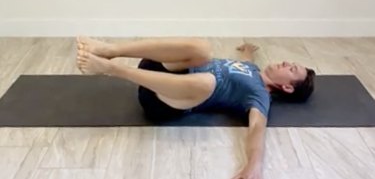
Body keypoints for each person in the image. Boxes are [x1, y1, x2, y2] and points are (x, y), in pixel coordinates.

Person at [76, 36, 315, 179]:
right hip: (159, 69)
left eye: (292, 69)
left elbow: (257, 130)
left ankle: (113, 70)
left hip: (164, 99)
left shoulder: (260, 95)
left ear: (288, 88)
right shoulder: (251, 69)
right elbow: (247, 61)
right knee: (202, 49)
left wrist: (254, 165)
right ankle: (109, 50)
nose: (286, 63)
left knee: (207, 82)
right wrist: (247, 51)